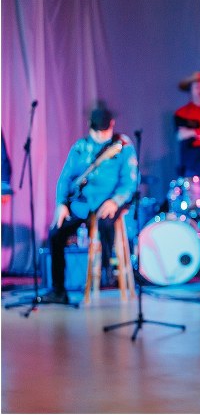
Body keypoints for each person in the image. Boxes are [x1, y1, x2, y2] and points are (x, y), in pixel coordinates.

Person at [43, 105, 138, 304]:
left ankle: (107, 272)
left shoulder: (123, 146)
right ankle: (58, 290)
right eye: (97, 131)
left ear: (112, 125)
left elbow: (129, 182)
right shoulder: (80, 147)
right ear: (89, 127)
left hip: (109, 201)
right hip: (82, 202)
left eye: (104, 131)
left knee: (106, 226)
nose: (101, 135)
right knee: (56, 233)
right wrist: (61, 203)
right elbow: (65, 178)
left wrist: (115, 201)